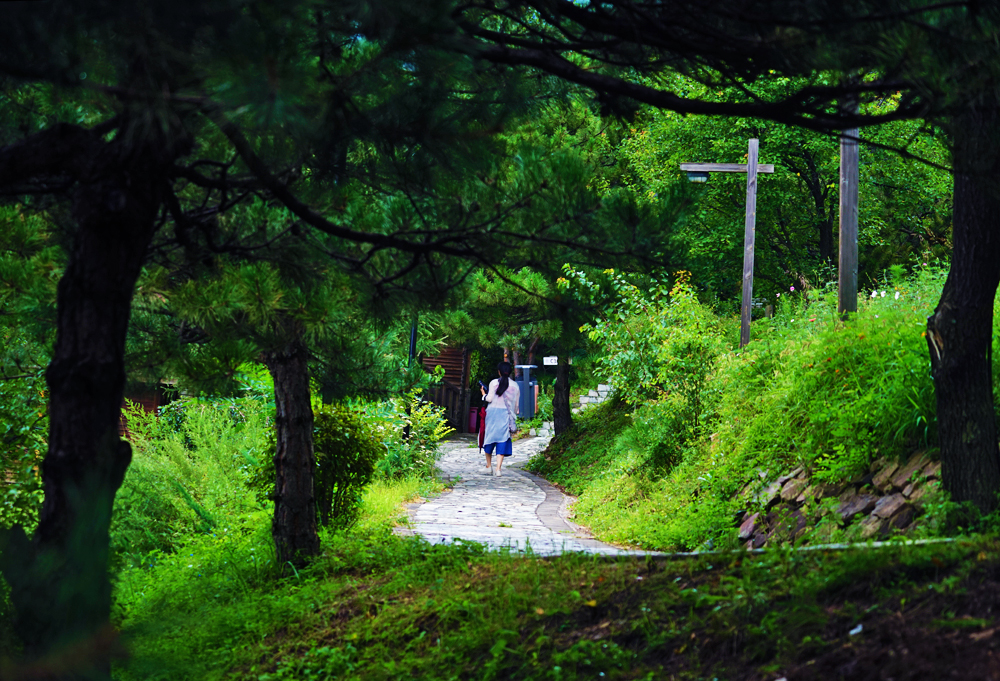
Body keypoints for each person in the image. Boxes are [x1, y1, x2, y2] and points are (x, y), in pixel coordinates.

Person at [480, 361, 519, 476]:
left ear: (499, 372)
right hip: (505, 415)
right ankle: (498, 469)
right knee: (502, 438)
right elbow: (516, 405)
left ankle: (488, 466)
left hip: (492, 413)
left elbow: (490, 399)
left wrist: (483, 394)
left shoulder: (493, 383)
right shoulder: (515, 386)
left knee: (489, 437)